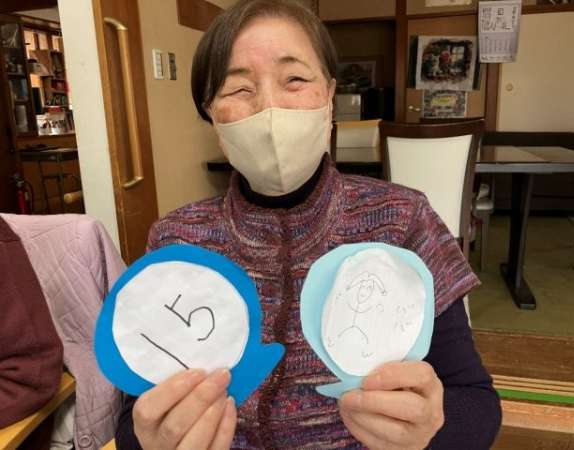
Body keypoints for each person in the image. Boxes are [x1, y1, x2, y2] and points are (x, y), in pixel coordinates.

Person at [115, 1, 502, 448]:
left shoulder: (402, 221)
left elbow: (477, 403)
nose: (269, 107)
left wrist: (430, 426)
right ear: (213, 117)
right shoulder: (176, 242)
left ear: (329, 97)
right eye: (239, 89)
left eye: (295, 80)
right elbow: (134, 418)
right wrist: (151, 439)